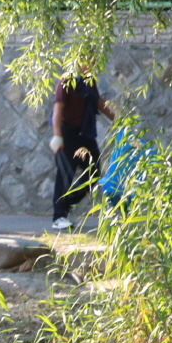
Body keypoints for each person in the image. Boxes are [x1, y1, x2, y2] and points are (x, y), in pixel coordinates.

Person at [49, 64, 116, 230]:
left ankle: (67, 202)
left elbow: (98, 101)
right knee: (65, 174)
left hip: (84, 133)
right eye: (89, 59)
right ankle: (59, 217)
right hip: (67, 133)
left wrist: (118, 119)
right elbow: (58, 108)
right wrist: (57, 135)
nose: (92, 63)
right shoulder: (66, 81)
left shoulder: (89, 81)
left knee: (94, 172)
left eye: (94, 60)